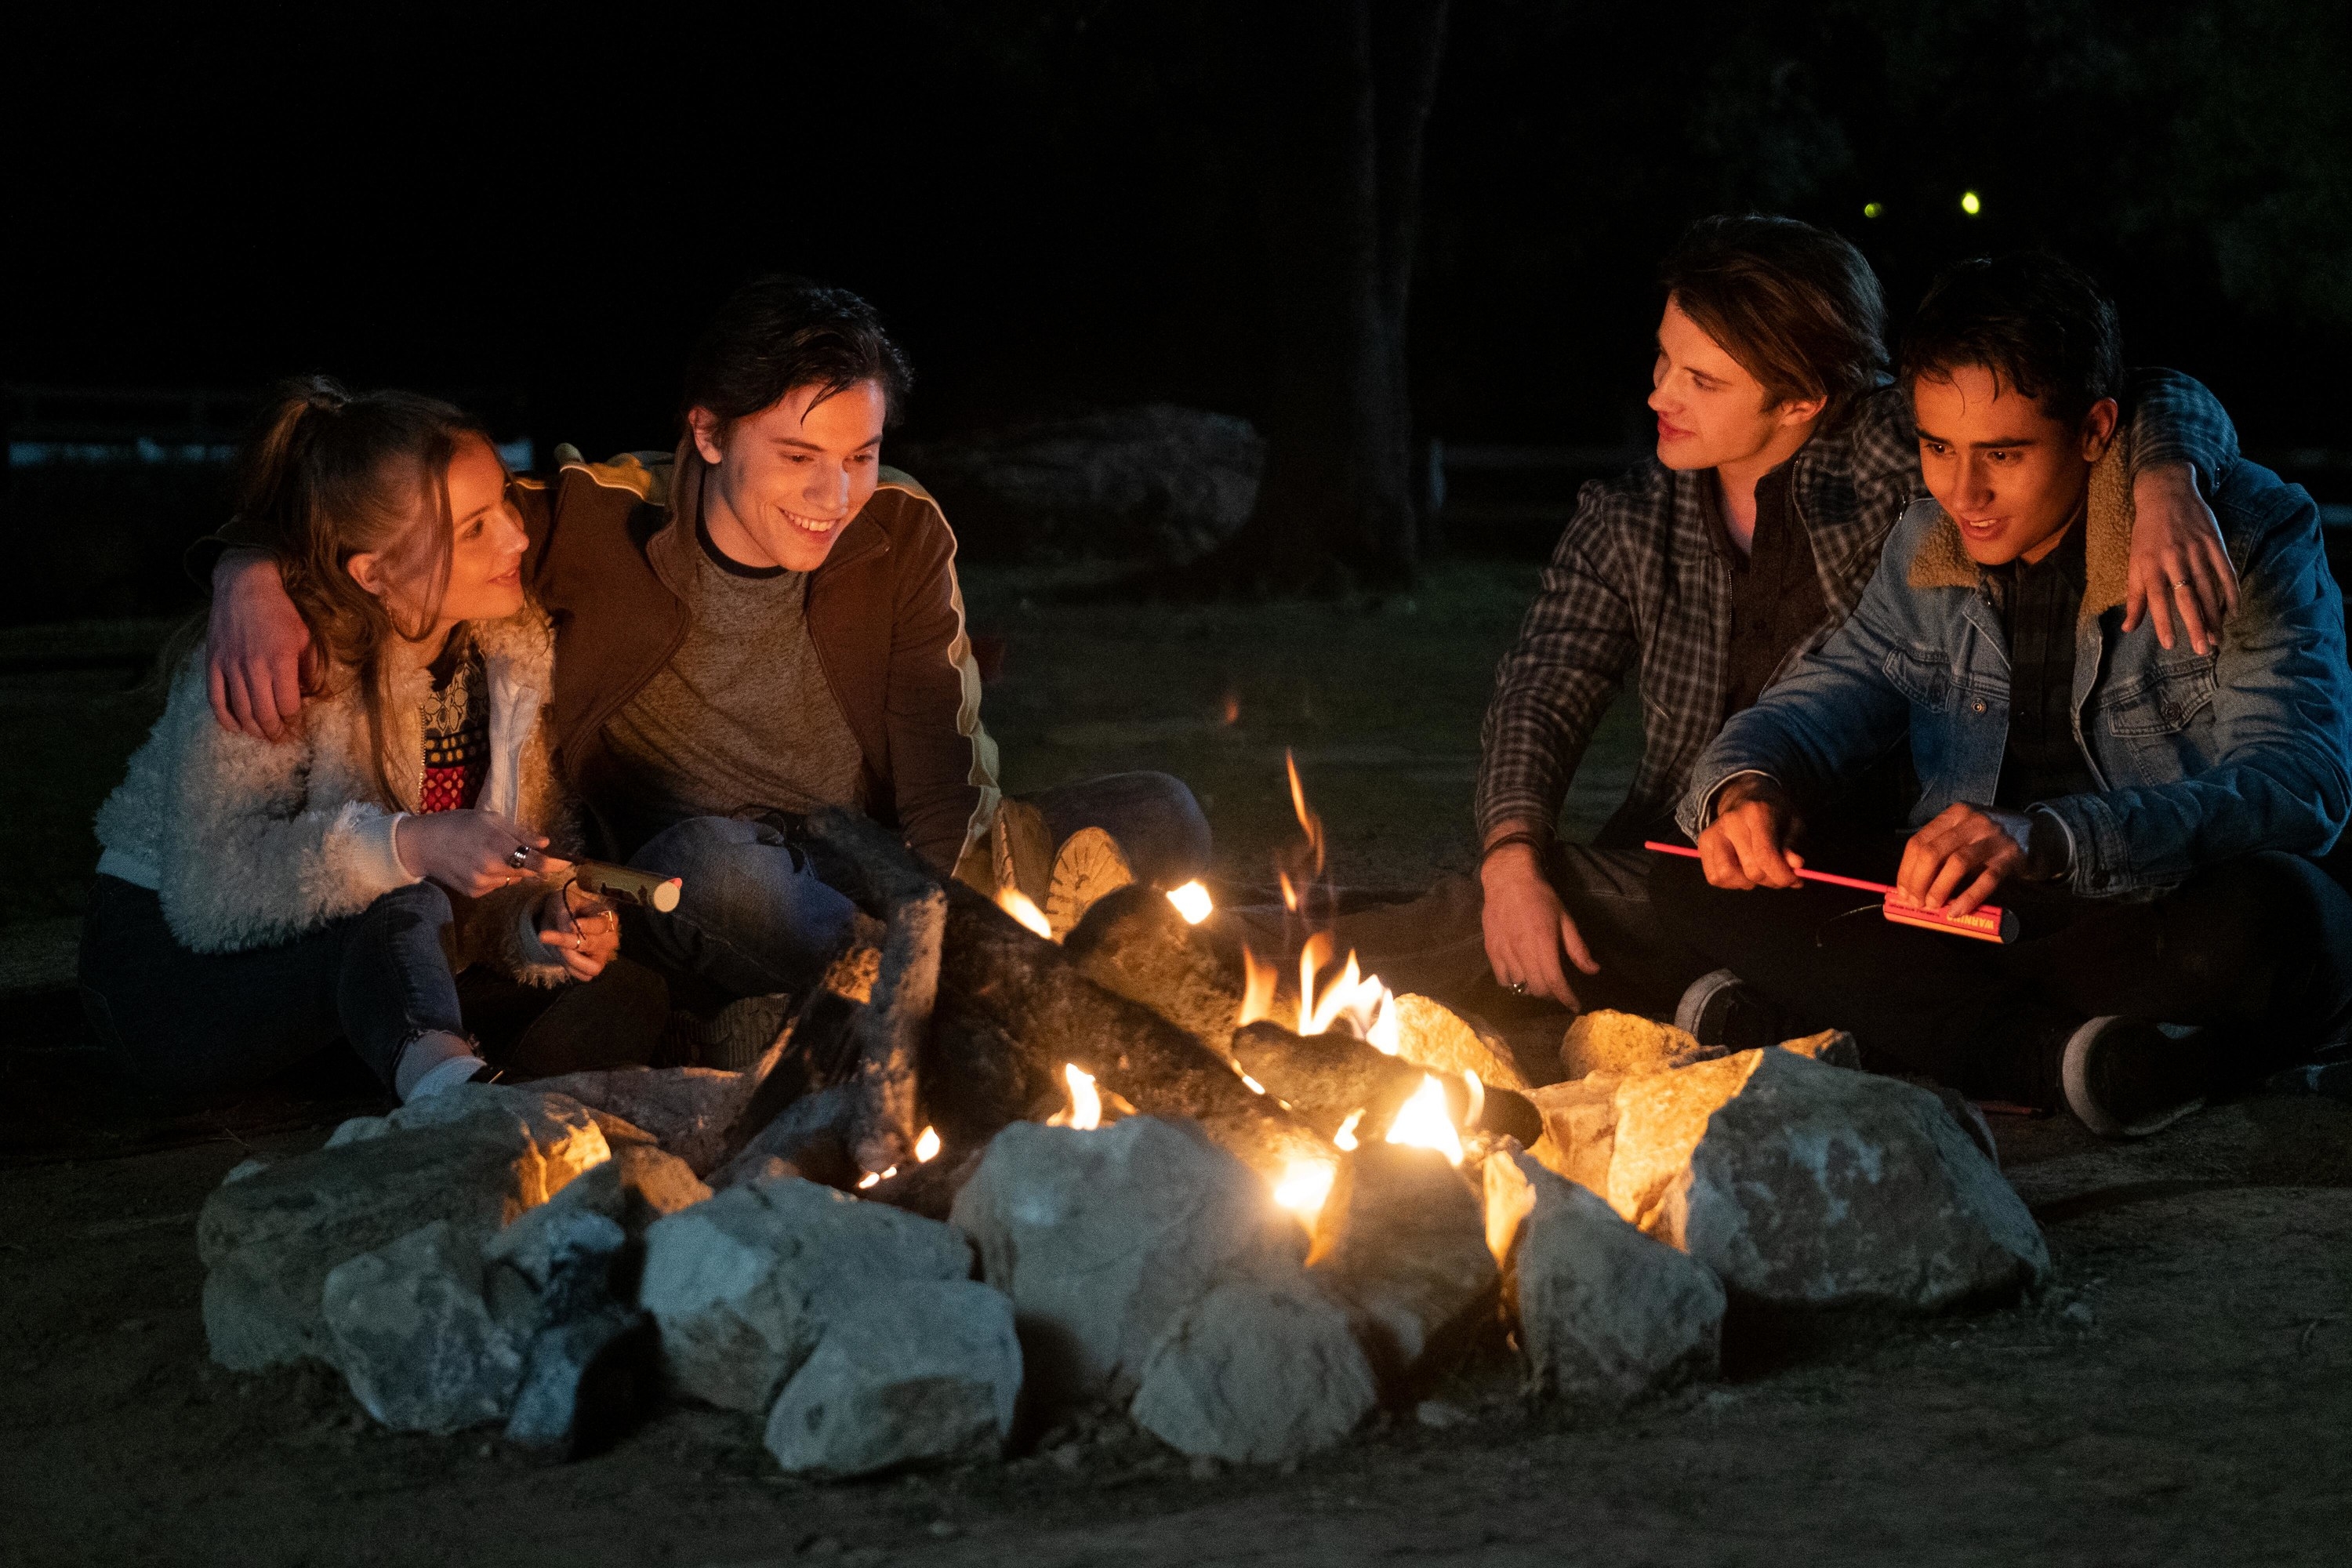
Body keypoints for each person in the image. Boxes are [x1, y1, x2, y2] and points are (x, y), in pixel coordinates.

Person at [201, 278, 1209, 1037]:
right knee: (714, 868)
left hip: (888, 861)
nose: (837, 495)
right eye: (801, 457)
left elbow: (943, 790)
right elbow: (391, 512)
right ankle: (989, 999)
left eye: (859, 455)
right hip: (717, 879)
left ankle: (933, 977)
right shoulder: (593, 525)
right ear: (710, 434)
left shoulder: (899, 530)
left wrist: (943, 913)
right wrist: (249, 567)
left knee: (1165, 811)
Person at [1460, 214, 2241, 1023]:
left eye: (1704, 380)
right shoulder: (1629, 516)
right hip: (1697, 839)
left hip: (1841, 845)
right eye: (1664, 358)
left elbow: (2136, 391)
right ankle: (1707, 984)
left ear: (1801, 397)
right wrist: (1512, 861)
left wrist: (2167, 482)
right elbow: (1541, 692)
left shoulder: (1887, 455)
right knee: (1546, 894)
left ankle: (1724, 992)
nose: (1660, 393)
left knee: (1541, 917)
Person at [1660, 252, 2352, 1137]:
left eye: (2005, 454)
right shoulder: (1928, 538)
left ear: (2098, 429)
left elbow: (2302, 786)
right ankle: (2071, 1058)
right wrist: (1748, 784)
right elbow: (1828, 692)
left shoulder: (2246, 532)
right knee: (1693, 869)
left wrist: (2057, 835)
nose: (1963, 489)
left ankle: (1866, 1024)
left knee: (2279, 920)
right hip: (1977, 919)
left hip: (2153, 913)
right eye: (1936, 446)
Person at [80, 380, 615, 1103]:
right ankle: (457, 1104)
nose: (518, 537)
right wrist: (410, 845)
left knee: (592, 982)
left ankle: (449, 1080)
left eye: (505, 508)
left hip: (365, 979)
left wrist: (542, 919)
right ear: (373, 573)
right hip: (172, 980)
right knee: (401, 893)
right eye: (474, 528)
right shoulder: (282, 657)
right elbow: (210, 892)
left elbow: (502, 865)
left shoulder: (511, 657)